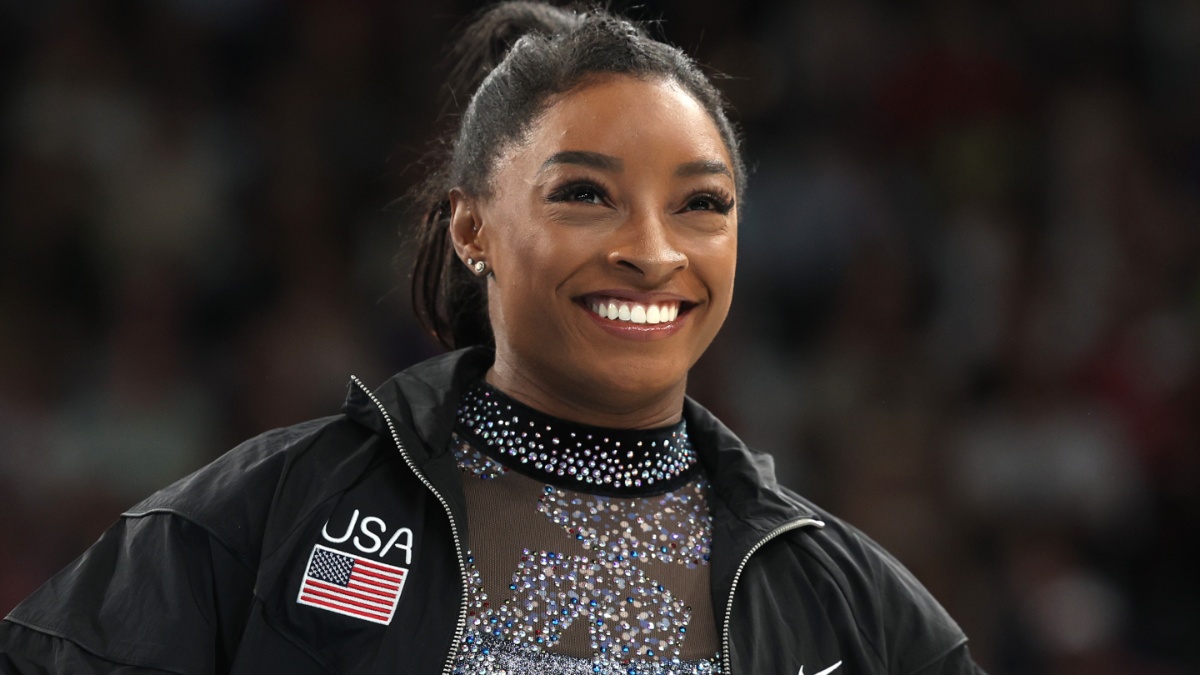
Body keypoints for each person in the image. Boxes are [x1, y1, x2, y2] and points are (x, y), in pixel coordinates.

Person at [0, 3, 985, 674]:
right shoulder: (274, 516)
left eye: (701, 204)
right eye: (585, 194)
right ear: (472, 227)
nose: (652, 252)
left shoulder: (849, 604)